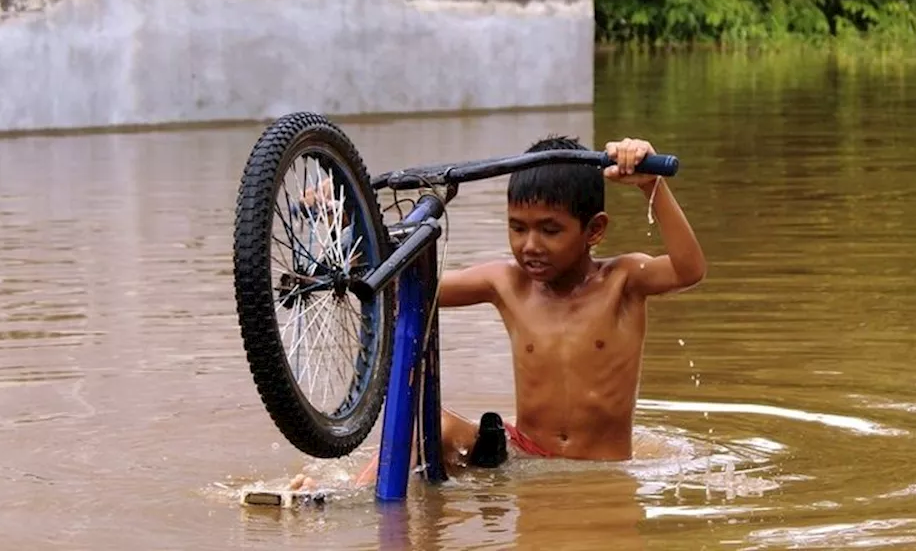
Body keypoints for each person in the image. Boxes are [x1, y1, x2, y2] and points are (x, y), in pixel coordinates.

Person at [293, 134, 707, 491]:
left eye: (550, 230)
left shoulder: (622, 281)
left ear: (594, 230)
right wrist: (343, 223)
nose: (530, 245)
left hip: (599, 470)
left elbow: (689, 269)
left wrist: (651, 186)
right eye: (518, 227)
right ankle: (338, 495)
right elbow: (402, 288)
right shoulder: (507, 283)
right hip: (521, 453)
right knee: (432, 427)